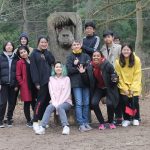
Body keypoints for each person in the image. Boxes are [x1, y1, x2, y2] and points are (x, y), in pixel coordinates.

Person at [79, 51, 119, 130]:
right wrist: (83, 73)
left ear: (101, 57)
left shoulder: (107, 65)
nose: (96, 57)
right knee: (94, 103)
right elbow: (88, 82)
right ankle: (102, 123)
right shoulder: (90, 67)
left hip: (109, 87)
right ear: (92, 57)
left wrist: (114, 80)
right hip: (99, 88)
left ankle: (110, 122)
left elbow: (115, 77)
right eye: (94, 56)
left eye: (98, 56)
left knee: (110, 104)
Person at [35, 62, 72, 135]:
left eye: (60, 67)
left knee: (61, 107)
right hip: (54, 101)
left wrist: (58, 105)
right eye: (57, 67)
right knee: (49, 107)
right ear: (54, 69)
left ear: (63, 68)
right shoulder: (51, 79)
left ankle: (65, 127)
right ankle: (42, 127)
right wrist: (55, 103)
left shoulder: (67, 79)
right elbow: (51, 92)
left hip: (66, 101)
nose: (58, 68)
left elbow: (66, 93)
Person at [66, 40, 92, 132]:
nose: (76, 46)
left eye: (78, 44)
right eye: (74, 45)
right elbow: (69, 70)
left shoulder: (86, 56)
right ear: (72, 47)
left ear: (81, 45)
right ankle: (80, 123)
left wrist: (79, 66)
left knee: (86, 103)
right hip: (76, 84)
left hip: (85, 83)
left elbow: (88, 67)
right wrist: (78, 67)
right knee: (79, 103)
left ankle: (85, 122)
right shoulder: (70, 57)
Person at [30, 36, 55, 131]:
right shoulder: (34, 54)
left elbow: (52, 61)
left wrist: (46, 53)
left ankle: (41, 120)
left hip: (50, 82)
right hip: (41, 82)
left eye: (45, 42)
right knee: (40, 102)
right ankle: (35, 121)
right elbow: (33, 70)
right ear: (38, 43)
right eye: (42, 42)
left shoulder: (48, 53)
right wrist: (36, 82)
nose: (44, 44)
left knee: (46, 102)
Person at [115, 43, 142, 127]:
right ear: (121, 51)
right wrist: (124, 88)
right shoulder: (118, 61)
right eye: (124, 50)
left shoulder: (136, 59)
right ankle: (126, 119)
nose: (126, 51)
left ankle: (135, 118)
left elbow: (137, 74)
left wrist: (133, 87)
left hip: (135, 84)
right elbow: (118, 75)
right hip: (123, 85)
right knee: (124, 102)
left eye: (127, 50)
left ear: (131, 50)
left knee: (134, 102)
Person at [16, 46, 36, 127]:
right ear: (19, 54)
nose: (23, 53)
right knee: (27, 103)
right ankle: (28, 120)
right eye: (21, 53)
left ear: (27, 51)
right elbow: (18, 75)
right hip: (25, 86)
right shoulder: (19, 62)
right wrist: (22, 83)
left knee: (34, 103)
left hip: (34, 85)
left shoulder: (32, 59)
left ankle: (36, 119)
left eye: (24, 51)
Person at [0, 42, 19, 128]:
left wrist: (17, 84)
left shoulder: (16, 58)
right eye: (7, 45)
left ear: (12, 47)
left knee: (12, 103)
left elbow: (19, 72)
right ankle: (0, 120)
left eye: (10, 45)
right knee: (2, 103)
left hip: (13, 84)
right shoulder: (1, 57)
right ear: (5, 47)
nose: (9, 46)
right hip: (3, 84)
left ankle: (9, 119)